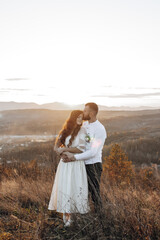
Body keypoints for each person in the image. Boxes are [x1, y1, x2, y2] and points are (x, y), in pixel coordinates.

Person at [48, 110, 90, 227]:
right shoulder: (65, 131)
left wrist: (65, 150)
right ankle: (65, 216)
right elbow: (56, 147)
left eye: (81, 118)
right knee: (65, 188)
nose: (80, 120)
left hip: (76, 164)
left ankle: (73, 218)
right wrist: (62, 154)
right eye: (78, 117)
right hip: (65, 164)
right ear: (73, 118)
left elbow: (81, 148)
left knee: (74, 188)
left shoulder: (83, 130)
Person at [63, 103, 107, 213]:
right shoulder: (85, 125)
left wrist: (74, 157)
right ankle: (82, 215)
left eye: (85, 111)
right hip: (80, 164)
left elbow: (93, 152)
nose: (83, 113)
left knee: (94, 193)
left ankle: (100, 218)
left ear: (91, 113)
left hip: (93, 165)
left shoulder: (100, 129)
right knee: (80, 192)